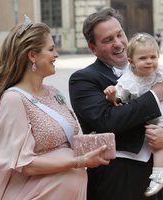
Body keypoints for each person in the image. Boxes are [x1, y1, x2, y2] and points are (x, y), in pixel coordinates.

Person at [0, 16, 110, 200]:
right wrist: (79, 162)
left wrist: (89, 143)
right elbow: (25, 164)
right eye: (50, 49)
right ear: (32, 55)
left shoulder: (54, 92)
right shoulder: (13, 99)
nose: (56, 55)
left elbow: (66, 141)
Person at [69, 7, 163, 200]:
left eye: (120, 34)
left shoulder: (156, 69)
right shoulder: (83, 80)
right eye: (107, 40)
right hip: (120, 178)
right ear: (92, 47)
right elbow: (108, 121)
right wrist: (156, 94)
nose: (118, 43)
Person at [104, 32, 163, 197]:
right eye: (143, 58)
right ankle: (158, 175)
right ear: (131, 62)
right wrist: (111, 95)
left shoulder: (160, 73)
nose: (149, 61)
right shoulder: (128, 79)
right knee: (156, 138)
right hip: (149, 118)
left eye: (153, 57)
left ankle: (159, 175)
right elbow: (119, 98)